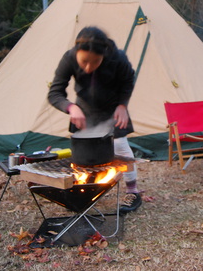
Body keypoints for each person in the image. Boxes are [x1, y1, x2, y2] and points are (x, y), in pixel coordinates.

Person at [48, 26, 142, 213]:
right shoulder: (68, 58)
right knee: (85, 154)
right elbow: (54, 93)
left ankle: (133, 191)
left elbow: (128, 80)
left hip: (113, 109)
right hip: (84, 111)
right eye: (84, 62)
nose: (88, 67)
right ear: (77, 53)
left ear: (104, 55)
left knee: (121, 146)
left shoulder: (117, 58)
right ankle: (86, 190)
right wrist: (71, 107)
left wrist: (123, 105)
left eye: (95, 62)